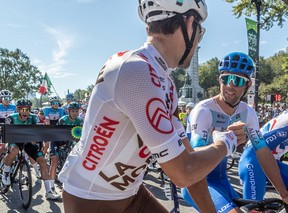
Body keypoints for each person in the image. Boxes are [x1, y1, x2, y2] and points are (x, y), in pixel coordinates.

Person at [58, 1, 246, 213]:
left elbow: (188, 162)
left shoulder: (162, 80)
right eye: (200, 33)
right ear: (189, 22)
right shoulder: (136, 70)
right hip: (90, 199)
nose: (197, 42)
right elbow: (182, 173)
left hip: (130, 193)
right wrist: (225, 143)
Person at [181, 52, 288, 213]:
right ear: (219, 80)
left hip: (221, 180)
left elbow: (263, 153)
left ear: (248, 84)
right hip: (197, 181)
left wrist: (283, 192)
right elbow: (195, 157)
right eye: (226, 79)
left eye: (238, 80)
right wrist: (221, 141)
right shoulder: (204, 110)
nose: (230, 85)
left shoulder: (248, 112)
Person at [1, 98, 60, 200]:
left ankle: (49, 191)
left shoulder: (33, 117)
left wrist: (37, 140)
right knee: (14, 150)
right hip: (14, 141)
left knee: (42, 160)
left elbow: (37, 131)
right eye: (22, 109)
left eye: (27, 109)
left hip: (28, 142)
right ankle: (6, 173)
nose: (25, 112)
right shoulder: (11, 118)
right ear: (18, 110)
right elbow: (6, 134)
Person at [239, 109, 288, 200]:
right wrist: (282, 190)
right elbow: (257, 149)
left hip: (271, 161)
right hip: (253, 160)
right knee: (254, 208)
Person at [49, 102, 83, 196]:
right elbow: (58, 135)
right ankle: (51, 187)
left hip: (71, 141)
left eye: (77, 111)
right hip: (57, 140)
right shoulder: (63, 120)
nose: (75, 113)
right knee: (54, 160)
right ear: (68, 111)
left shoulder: (80, 121)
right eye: (73, 111)